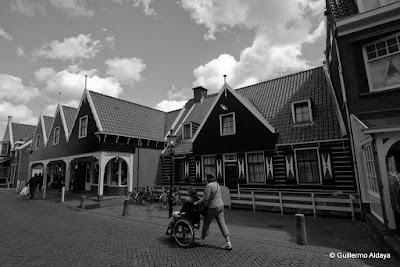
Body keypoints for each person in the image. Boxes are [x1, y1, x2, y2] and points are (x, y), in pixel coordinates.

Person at [194, 173, 232, 250]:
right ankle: (228, 243)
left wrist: (197, 202)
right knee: (222, 224)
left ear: (208, 178)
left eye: (206, 177)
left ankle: (201, 240)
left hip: (213, 207)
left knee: (206, 223)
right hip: (220, 206)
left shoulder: (209, 186)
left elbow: (205, 199)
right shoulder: (217, 184)